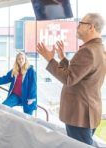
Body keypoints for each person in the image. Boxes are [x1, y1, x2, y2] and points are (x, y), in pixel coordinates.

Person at [37, 13, 106, 145]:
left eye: (81, 24)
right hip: (88, 112)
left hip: (79, 114)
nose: (77, 27)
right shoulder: (99, 49)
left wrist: (50, 59)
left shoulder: (87, 51)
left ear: (91, 27)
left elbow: (69, 78)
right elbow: (80, 75)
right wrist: (62, 58)